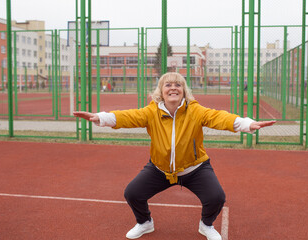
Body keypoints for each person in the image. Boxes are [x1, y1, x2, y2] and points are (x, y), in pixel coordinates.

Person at [73, 72, 275, 240]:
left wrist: (247, 124)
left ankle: (206, 225)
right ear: (161, 91)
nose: (173, 88)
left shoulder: (195, 110)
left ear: (184, 90)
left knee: (216, 197)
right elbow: (128, 116)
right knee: (132, 193)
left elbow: (218, 117)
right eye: (168, 84)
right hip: (159, 169)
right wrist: (100, 117)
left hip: (195, 168)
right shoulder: (151, 112)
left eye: (178, 84)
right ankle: (145, 223)